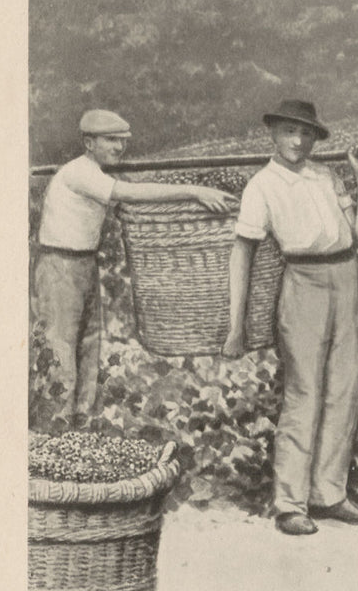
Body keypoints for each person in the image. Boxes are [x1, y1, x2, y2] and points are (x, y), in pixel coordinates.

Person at [222, 99, 358, 537]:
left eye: (306, 133)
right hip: (303, 281)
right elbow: (243, 252)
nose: (298, 140)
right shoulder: (262, 186)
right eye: (290, 131)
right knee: (304, 392)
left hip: (347, 277)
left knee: (345, 388)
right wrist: (236, 325)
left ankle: (329, 495)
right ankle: (290, 502)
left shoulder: (326, 176)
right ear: (273, 134)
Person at [31, 109, 237, 425]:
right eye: (111, 140)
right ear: (88, 142)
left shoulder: (96, 172)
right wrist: (194, 191)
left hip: (83, 264)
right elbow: (130, 194)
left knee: (88, 346)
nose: (119, 148)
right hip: (60, 265)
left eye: (122, 141)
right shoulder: (79, 173)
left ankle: (80, 423)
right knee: (61, 349)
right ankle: (52, 429)